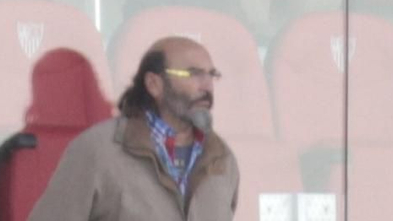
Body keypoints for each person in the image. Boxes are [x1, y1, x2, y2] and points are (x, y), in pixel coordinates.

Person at [28, 36, 240, 221]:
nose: (207, 86)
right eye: (193, 74)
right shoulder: (97, 151)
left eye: (211, 74)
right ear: (154, 84)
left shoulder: (222, 158)